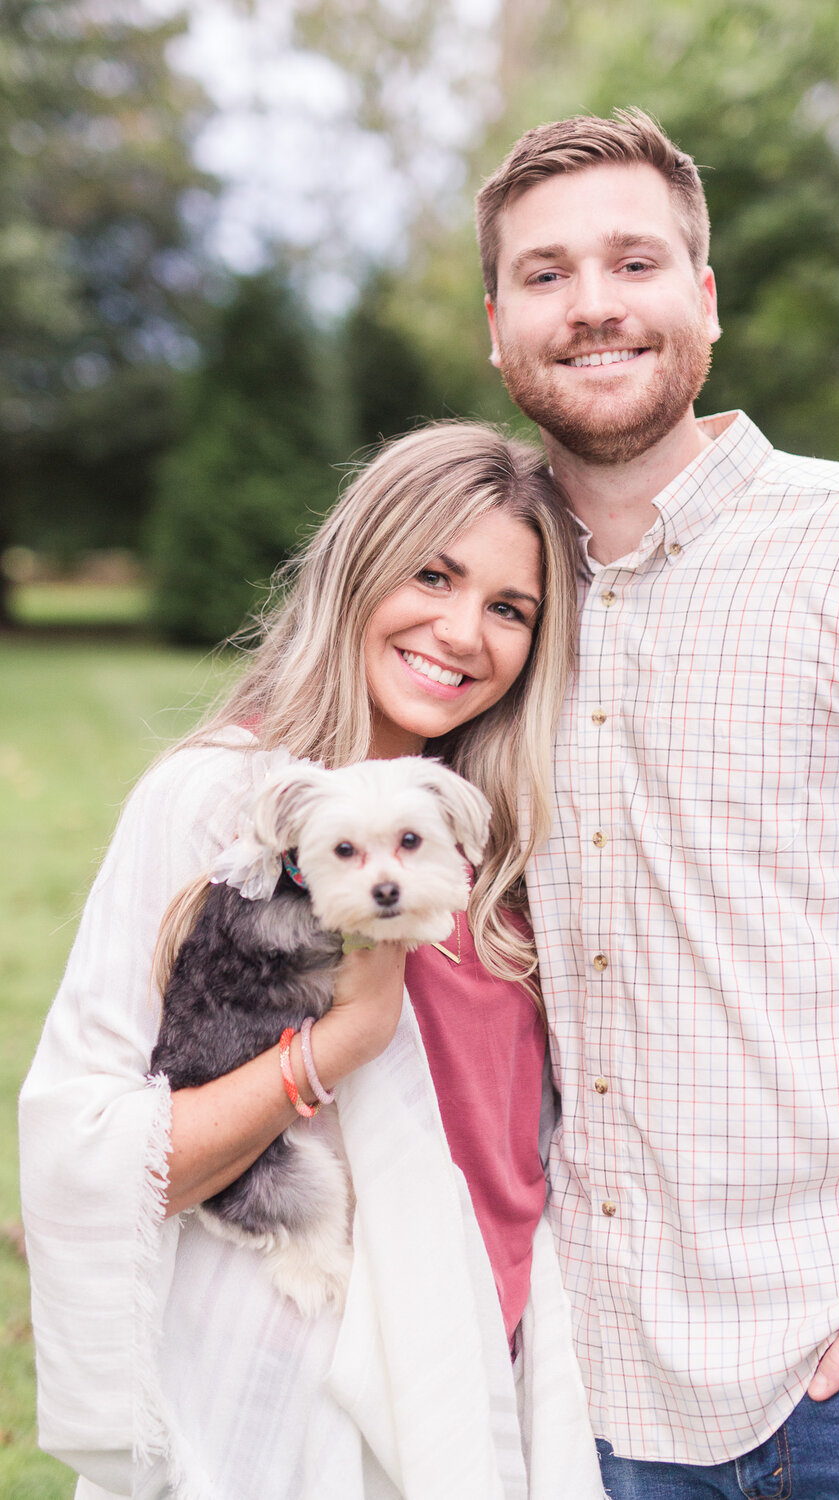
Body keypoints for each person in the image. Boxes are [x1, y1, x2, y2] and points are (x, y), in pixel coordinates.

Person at [475, 108, 839, 1497]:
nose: (593, 305)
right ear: (496, 326)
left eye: (634, 263)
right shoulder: (485, 602)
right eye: (545, 274)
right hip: (600, 1374)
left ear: (704, 301)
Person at [19, 421, 607, 1500]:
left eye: (509, 608)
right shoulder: (220, 807)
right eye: (433, 574)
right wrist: (335, 1046)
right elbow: (85, 1144)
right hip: (289, 1392)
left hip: (494, 1374)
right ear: (359, 567)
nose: (463, 631)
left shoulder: (503, 842)